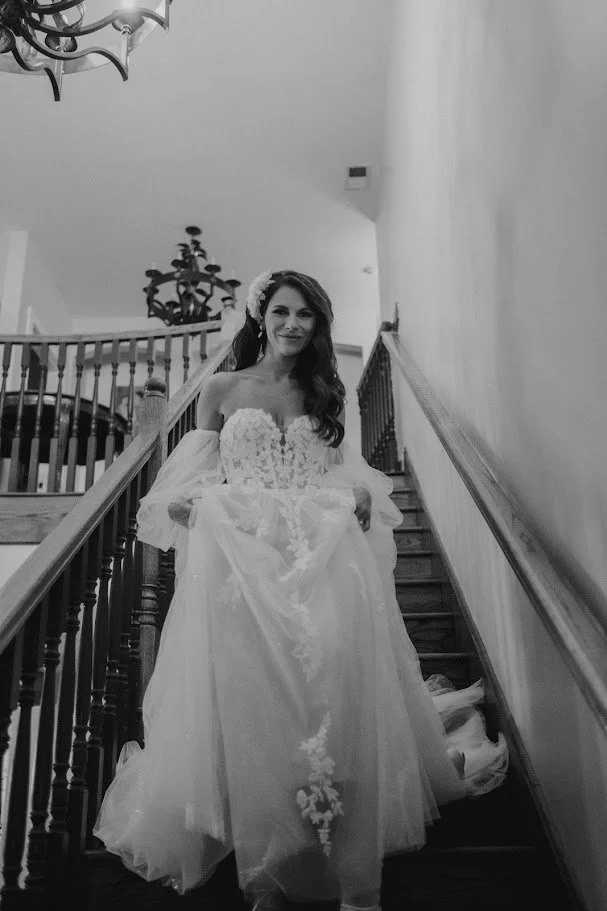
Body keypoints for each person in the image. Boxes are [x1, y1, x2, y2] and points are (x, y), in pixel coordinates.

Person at [94, 270, 508, 911]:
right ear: (262, 317)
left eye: (306, 315)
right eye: (282, 312)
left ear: (318, 325)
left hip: (323, 563)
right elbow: (188, 483)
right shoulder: (223, 389)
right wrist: (199, 509)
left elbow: (348, 473)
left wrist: (364, 497)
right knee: (259, 704)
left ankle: (337, 857)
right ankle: (272, 862)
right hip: (245, 572)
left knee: (329, 700)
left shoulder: (325, 394)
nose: (292, 325)